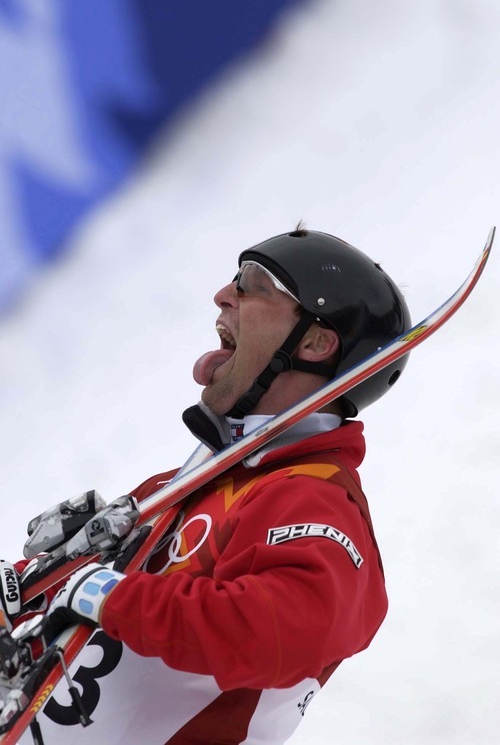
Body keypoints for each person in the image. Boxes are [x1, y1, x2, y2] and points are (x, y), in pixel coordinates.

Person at [1, 227, 411, 744]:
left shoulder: (314, 500)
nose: (224, 294)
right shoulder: (187, 484)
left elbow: (272, 635)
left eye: (255, 284)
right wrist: (30, 586)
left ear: (314, 341)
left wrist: (104, 591)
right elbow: (87, 620)